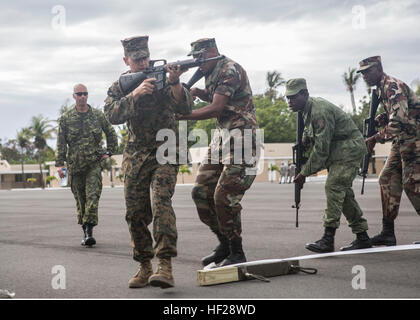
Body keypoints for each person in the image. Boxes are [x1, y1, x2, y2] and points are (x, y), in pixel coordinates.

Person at [104, 36, 193, 289]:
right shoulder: (121, 85)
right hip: (136, 153)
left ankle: (165, 265)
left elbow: (185, 107)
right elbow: (111, 115)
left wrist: (175, 83)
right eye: (137, 59)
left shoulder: (164, 76)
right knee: (135, 212)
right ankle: (144, 266)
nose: (143, 62)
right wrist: (135, 94)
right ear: (126, 60)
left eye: (145, 57)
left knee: (161, 200)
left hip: (167, 148)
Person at [177, 38, 259, 267]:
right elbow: (216, 98)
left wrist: (183, 116)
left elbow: (217, 107)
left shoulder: (229, 69)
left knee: (224, 196)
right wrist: (198, 91)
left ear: (212, 52)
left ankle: (236, 251)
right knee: (200, 193)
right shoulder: (210, 71)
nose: (196, 62)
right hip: (222, 137)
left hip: (242, 136)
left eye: (199, 57)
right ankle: (224, 242)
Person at [286, 78, 372, 252]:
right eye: (287, 98)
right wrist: (303, 143)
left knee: (333, 187)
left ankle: (328, 239)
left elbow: (321, 149)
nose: (290, 101)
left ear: (305, 94)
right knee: (344, 194)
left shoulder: (319, 110)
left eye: (293, 97)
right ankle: (362, 236)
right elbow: (311, 135)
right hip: (338, 151)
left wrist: (304, 173)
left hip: (348, 149)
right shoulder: (305, 111)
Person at [358, 56, 420, 245]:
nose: (365, 76)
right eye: (362, 73)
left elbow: (399, 121)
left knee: (412, 183)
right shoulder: (380, 89)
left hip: (414, 139)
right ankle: (388, 232)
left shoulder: (392, 86)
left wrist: (375, 138)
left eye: (368, 71)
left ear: (379, 69)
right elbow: (400, 113)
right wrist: (384, 117)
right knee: (387, 178)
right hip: (402, 140)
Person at [56, 84, 118, 247]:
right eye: (79, 94)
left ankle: (89, 231)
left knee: (93, 196)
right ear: (74, 96)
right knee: (81, 201)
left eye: (85, 94)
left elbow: (111, 133)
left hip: (93, 164)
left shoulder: (97, 115)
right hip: (75, 166)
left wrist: (109, 152)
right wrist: (59, 165)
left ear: (87, 96)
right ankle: (85, 231)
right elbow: (61, 143)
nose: (82, 96)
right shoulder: (66, 118)